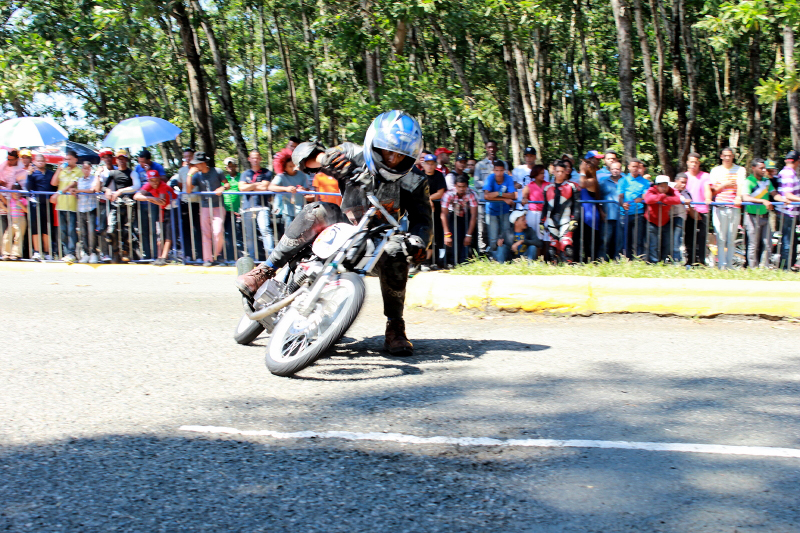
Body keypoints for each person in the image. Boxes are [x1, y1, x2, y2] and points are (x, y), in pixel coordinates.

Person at [236, 110, 431, 355]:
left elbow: (423, 220)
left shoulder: (416, 180)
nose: (392, 159)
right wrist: (323, 158)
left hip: (378, 239)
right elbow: (302, 155)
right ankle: (266, 269)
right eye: (387, 152)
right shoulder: (352, 154)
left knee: (397, 250)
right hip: (343, 224)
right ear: (374, 144)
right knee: (318, 210)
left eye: (400, 156)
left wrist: (418, 241)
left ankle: (395, 326)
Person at [187, 152, 228, 267]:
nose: (195, 166)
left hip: (218, 205)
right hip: (205, 207)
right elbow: (188, 190)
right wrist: (189, 175)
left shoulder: (217, 171)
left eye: (197, 163)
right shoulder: (197, 175)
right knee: (206, 233)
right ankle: (208, 259)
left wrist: (222, 187)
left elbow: (227, 184)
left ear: (203, 163)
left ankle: (217, 255)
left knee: (218, 231)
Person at [709, 147, 745, 269]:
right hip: (719, 206)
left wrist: (738, 197)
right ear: (721, 156)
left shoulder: (740, 170)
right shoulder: (715, 171)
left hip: (734, 207)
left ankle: (729, 265)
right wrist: (725, 185)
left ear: (733, 156)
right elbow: (713, 190)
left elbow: (740, 185)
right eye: (725, 155)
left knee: (731, 237)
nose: (727, 158)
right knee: (720, 237)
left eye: (730, 155)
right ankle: (721, 265)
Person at [102, 149, 141, 263]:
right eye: (119, 159)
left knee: (127, 230)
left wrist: (121, 191)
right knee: (111, 229)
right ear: (116, 160)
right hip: (117, 204)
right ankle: (115, 252)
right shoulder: (113, 173)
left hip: (129, 204)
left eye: (123, 159)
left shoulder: (132, 173)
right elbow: (104, 186)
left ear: (127, 160)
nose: (121, 161)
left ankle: (125, 252)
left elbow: (136, 186)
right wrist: (107, 190)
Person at [134, 169, 177, 266]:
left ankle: (164, 257)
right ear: (148, 180)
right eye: (152, 180)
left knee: (168, 233)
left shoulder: (163, 185)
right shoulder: (148, 185)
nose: (155, 182)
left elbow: (162, 201)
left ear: (159, 179)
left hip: (172, 207)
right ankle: (159, 256)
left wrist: (151, 199)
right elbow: (136, 196)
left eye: (156, 180)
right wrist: (151, 198)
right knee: (160, 233)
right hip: (162, 208)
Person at [239, 149, 275, 261]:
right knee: (249, 235)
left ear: (260, 159)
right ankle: (252, 259)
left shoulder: (266, 172)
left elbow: (264, 187)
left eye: (257, 157)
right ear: (249, 159)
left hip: (262, 206)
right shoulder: (245, 173)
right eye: (253, 158)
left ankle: (271, 258)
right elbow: (242, 188)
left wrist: (249, 186)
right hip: (247, 207)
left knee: (265, 231)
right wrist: (256, 185)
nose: (255, 160)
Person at [542, 161, 580, 263]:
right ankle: (553, 266)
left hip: (566, 219)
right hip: (551, 220)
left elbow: (576, 205)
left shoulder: (572, 186)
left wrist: (575, 219)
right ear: (553, 172)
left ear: (566, 172)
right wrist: (542, 221)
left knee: (567, 245)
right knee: (552, 247)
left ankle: (568, 265)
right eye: (557, 171)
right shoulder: (547, 188)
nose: (559, 174)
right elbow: (545, 206)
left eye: (562, 171)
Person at [51, 149, 81, 262]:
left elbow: (73, 184)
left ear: (75, 160)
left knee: (71, 230)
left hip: (72, 205)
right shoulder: (62, 170)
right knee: (62, 230)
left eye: (69, 159)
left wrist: (58, 193)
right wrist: (58, 170)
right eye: (65, 159)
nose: (67, 161)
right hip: (61, 205)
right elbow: (53, 183)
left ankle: (72, 253)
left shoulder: (79, 171)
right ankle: (65, 253)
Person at [440, 174, 478, 265]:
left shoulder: (472, 194)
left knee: (468, 241)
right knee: (455, 239)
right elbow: (443, 214)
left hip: (468, 216)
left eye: (463, 187)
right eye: (459, 186)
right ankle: (454, 261)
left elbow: (474, 215)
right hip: (453, 216)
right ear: (455, 186)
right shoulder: (448, 194)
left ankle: (465, 261)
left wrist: (468, 235)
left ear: (467, 186)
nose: (461, 189)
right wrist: (447, 234)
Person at [483, 160, 516, 262]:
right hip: (491, 211)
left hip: (504, 211)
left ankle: (505, 257)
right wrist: (503, 198)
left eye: (501, 170)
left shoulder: (508, 178)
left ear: (504, 170)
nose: (499, 173)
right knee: (493, 237)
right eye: (496, 170)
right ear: (493, 170)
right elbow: (486, 196)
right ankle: (494, 257)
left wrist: (497, 194)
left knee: (506, 235)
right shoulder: (490, 178)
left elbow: (513, 195)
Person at [617, 158, 650, 259]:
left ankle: (639, 259)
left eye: (637, 167)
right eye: (633, 166)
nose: (635, 169)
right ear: (629, 167)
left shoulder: (645, 182)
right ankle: (626, 259)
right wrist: (622, 204)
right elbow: (620, 195)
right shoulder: (623, 180)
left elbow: (645, 196)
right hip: (625, 213)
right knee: (625, 239)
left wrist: (642, 199)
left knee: (638, 239)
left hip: (638, 213)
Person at [644, 175, 681, 263]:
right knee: (653, 244)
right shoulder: (651, 190)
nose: (664, 188)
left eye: (665, 186)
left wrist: (663, 199)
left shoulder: (671, 190)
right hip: (651, 221)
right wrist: (662, 196)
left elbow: (677, 200)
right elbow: (648, 199)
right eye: (661, 186)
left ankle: (664, 261)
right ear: (657, 186)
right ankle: (653, 263)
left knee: (667, 243)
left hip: (665, 221)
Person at [683, 152, 712, 266]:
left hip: (702, 210)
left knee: (701, 237)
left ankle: (701, 262)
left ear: (699, 163)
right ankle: (690, 261)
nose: (693, 164)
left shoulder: (705, 176)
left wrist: (708, 198)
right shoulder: (684, 176)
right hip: (688, 211)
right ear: (687, 163)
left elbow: (707, 189)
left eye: (696, 162)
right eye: (691, 162)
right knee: (688, 237)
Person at [26, 154, 55, 260]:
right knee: (36, 228)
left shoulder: (51, 173)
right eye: (38, 161)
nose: (40, 162)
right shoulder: (32, 174)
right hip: (35, 204)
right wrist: (29, 175)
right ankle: (37, 251)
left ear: (45, 161)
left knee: (47, 228)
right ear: (34, 162)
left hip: (47, 204)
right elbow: (28, 188)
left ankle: (48, 252)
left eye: (42, 161)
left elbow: (54, 187)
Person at [270, 151, 309, 230]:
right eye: (290, 166)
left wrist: (303, 189)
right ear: (284, 168)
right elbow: (271, 187)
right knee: (289, 231)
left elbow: (307, 189)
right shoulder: (281, 176)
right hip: (287, 211)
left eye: (294, 165)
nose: (293, 167)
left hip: (300, 209)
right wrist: (286, 189)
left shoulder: (302, 175)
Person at [576, 155, 604, 262]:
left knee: (590, 242)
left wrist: (582, 171)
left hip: (590, 215)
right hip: (581, 214)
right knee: (580, 240)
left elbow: (582, 184)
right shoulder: (582, 178)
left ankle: (592, 261)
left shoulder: (592, 181)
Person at [421, 153, 447, 268]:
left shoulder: (439, 175)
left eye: (432, 164)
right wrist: (427, 201)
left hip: (437, 211)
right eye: (428, 164)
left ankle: (438, 260)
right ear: (423, 164)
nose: (430, 166)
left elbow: (440, 193)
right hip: (422, 211)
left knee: (437, 235)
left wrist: (429, 199)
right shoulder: (420, 175)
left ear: (436, 165)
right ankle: (424, 260)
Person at [776, 150, 800, 270]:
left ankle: (789, 265)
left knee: (791, 240)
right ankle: (785, 267)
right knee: (787, 241)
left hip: (790, 212)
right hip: (788, 212)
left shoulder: (786, 172)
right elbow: (788, 195)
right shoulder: (789, 174)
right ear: (798, 161)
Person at [74, 161, 99, 263]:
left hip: (91, 208)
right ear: (82, 169)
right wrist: (75, 193)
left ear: (90, 169)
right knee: (83, 232)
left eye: (88, 168)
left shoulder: (94, 179)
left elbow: (92, 190)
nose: (86, 170)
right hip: (81, 208)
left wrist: (79, 191)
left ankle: (93, 252)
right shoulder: (79, 180)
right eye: (84, 168)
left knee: (92, 231)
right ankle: (86, 253)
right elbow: (78, 193)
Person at [599, 161, 624, 260]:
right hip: (608, 216)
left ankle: (617, 260)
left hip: (622, 215)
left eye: (617, 169)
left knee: (620, 241)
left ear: (621, 170)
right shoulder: (603, 182)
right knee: (605, 240)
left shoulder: (625, 181)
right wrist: (601, 211)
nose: (615, 171)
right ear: (609, 170)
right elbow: (598, 198)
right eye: (613, 169)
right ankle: (602, 260)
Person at [520, 164, 548, 242]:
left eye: (543, 173)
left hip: (545, 214)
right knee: (534, 236)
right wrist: (524, 200)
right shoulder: (528, 186)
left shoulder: (548, 185)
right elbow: (523, 199)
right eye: (541, 173)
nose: (543, 175)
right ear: (535, 174)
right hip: (533, 214)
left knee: (545, 237)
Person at [0, 183, 28, 260]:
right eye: (14, 193)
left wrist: (21, 205)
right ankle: (6, 253)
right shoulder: (11, 201)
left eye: (18, 193)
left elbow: (27, 211)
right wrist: (2, 206)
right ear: (11, 193)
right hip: (13, 220)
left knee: (18, 237)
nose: (16, 195)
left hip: (21, 220)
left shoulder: (23, 200)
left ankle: (16, 254)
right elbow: (9, 211)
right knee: (7, 236)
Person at [670, 173, 693, 263]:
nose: (683, 185)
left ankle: (676, 261)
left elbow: (689, 205)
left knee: (676, 239)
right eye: (682, 182)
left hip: (680, 217)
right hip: (667, 217)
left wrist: (688, 204)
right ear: (676, 181)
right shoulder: (669, 187)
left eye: (685, 183)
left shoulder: (686, 193)